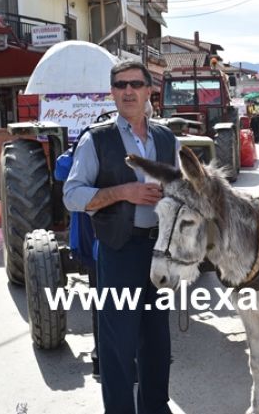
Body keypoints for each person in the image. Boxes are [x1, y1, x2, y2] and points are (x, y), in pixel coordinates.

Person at [63, 60, 178, 413]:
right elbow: (72, 195)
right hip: (119, 252)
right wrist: (123, 192)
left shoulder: (165, 137)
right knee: (118, 349)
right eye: (120, 85)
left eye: (135, 84)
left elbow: (179, 188)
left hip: (158, 253)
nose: (128, 91)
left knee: (157, 345)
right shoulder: (96, 140)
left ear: (148, 91)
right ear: (112, 93)